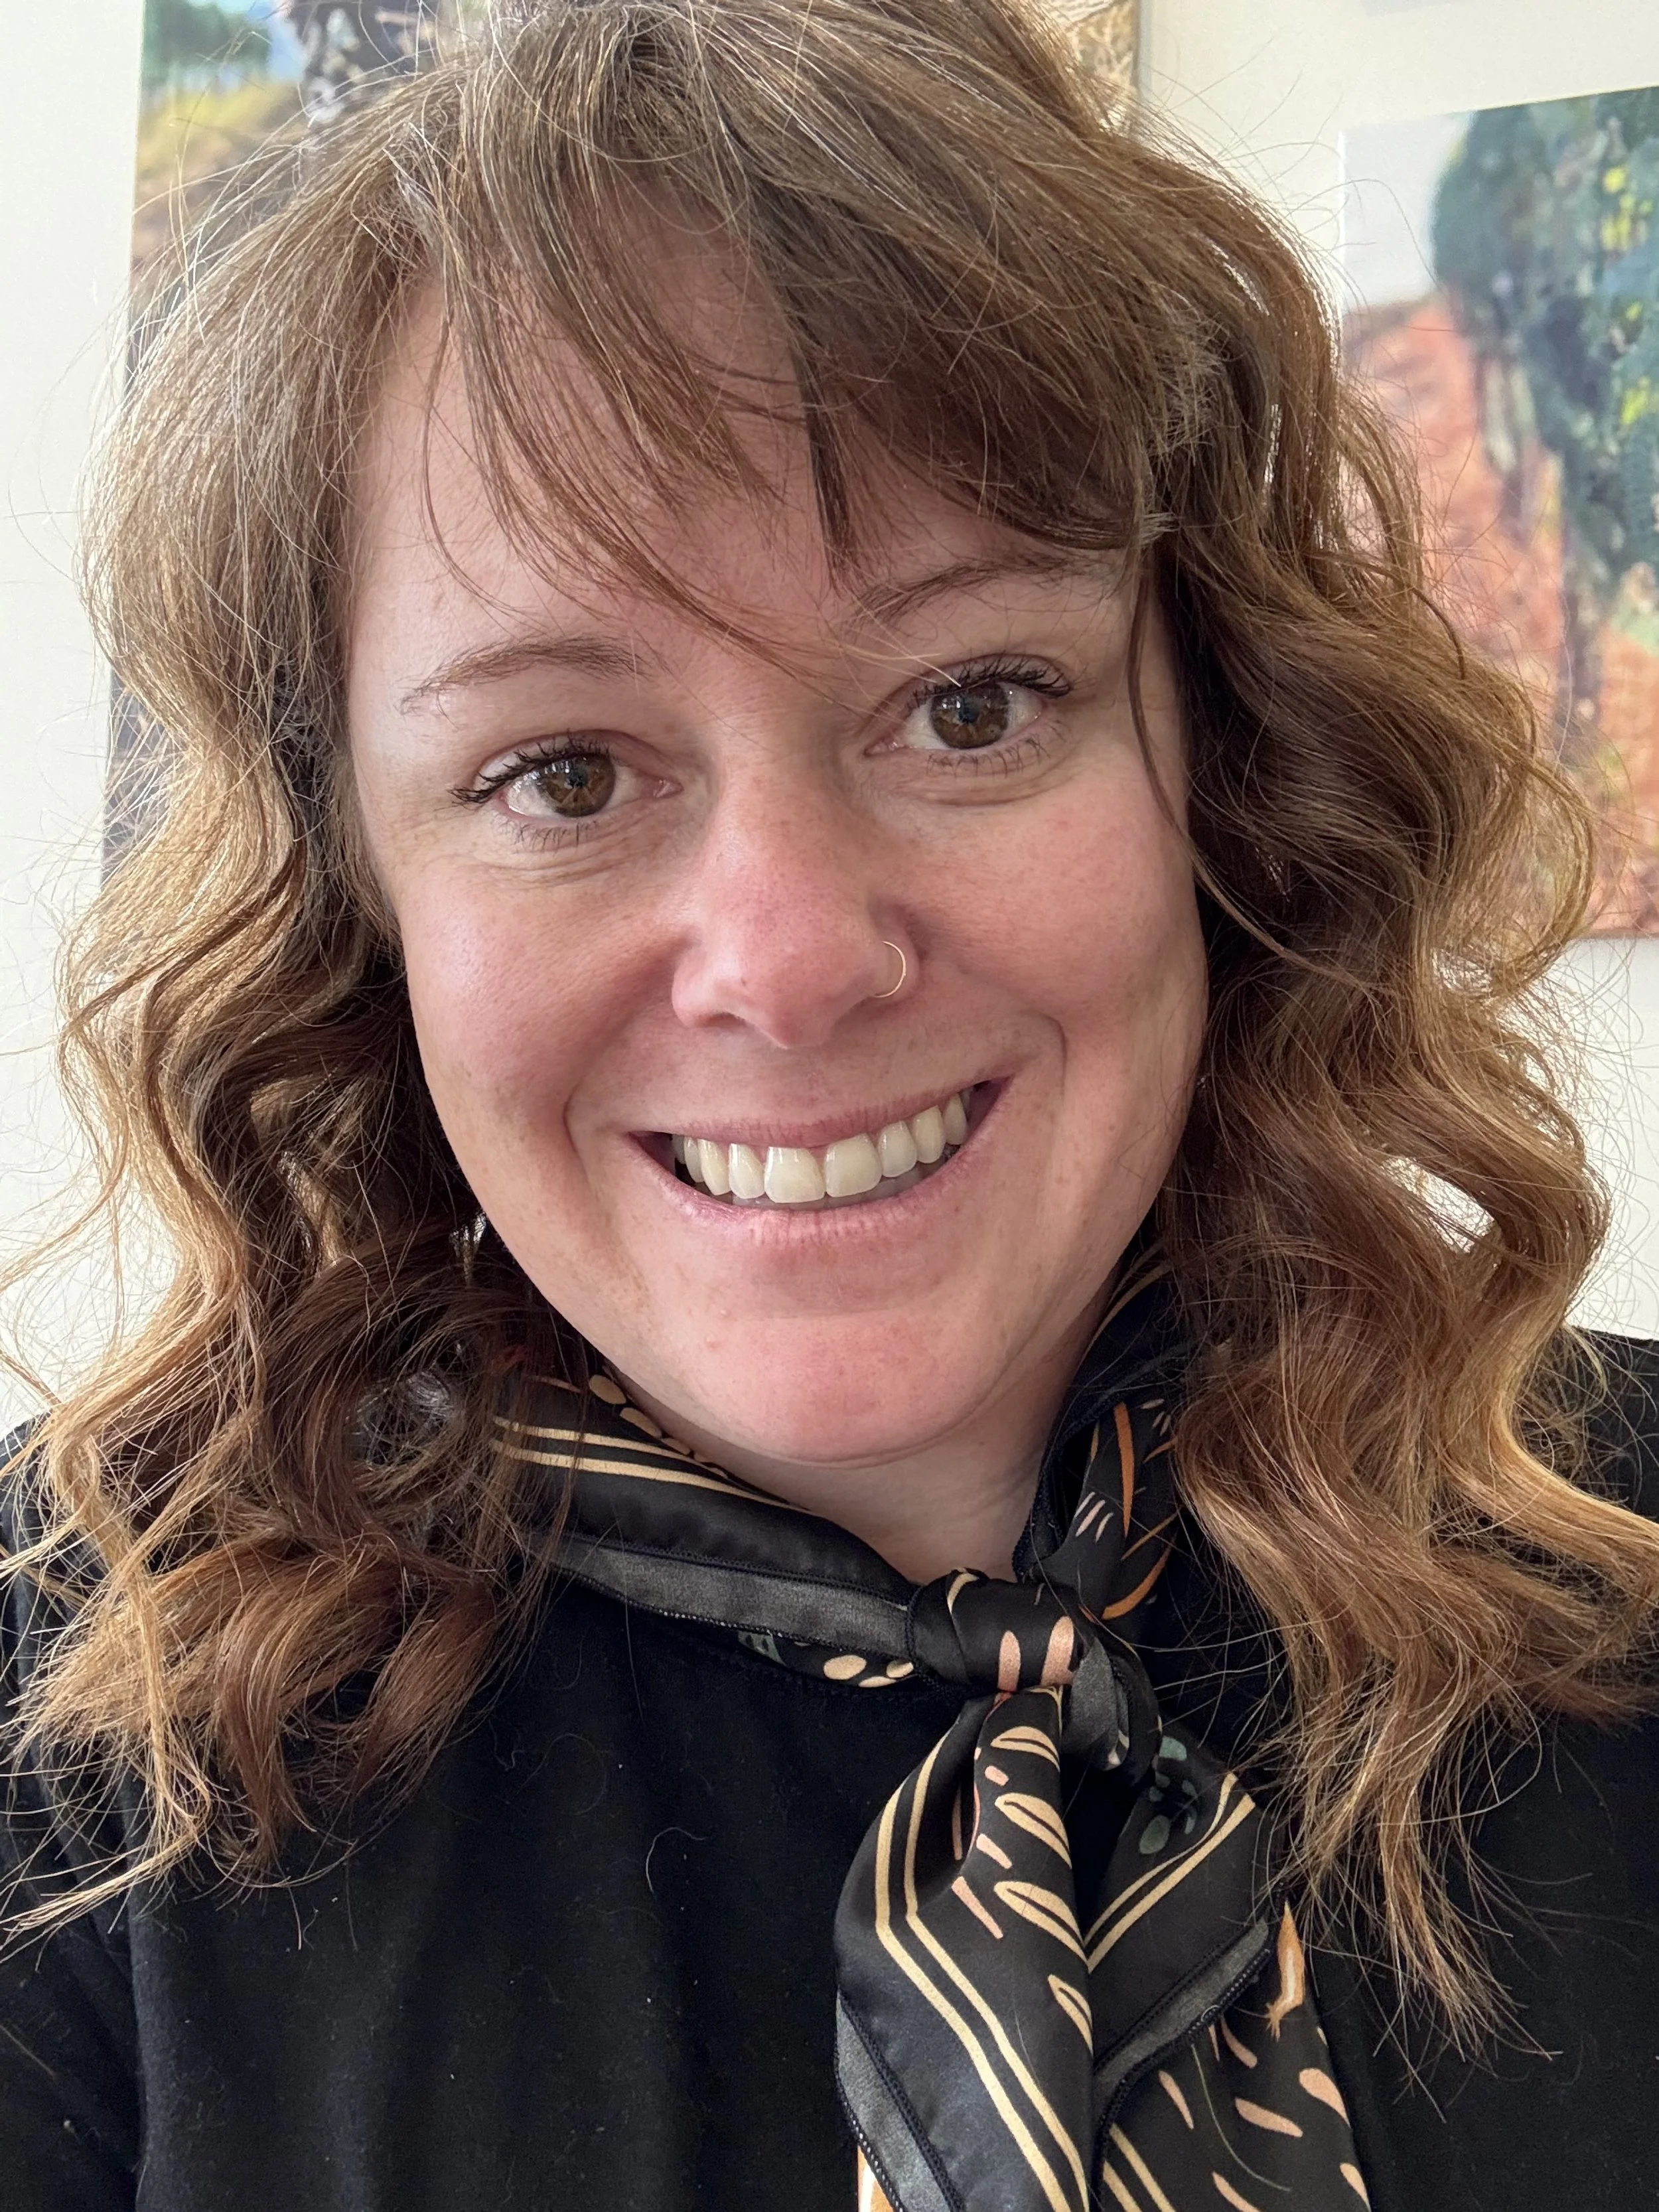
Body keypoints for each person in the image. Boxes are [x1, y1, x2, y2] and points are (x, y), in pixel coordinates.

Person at [4, 3, 1658, 2207]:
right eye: (560, 773)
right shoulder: (67, 1728)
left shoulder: (1617, 1568)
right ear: (356, 897)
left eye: (969, 704)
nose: (785, 958)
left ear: (1226, 770)